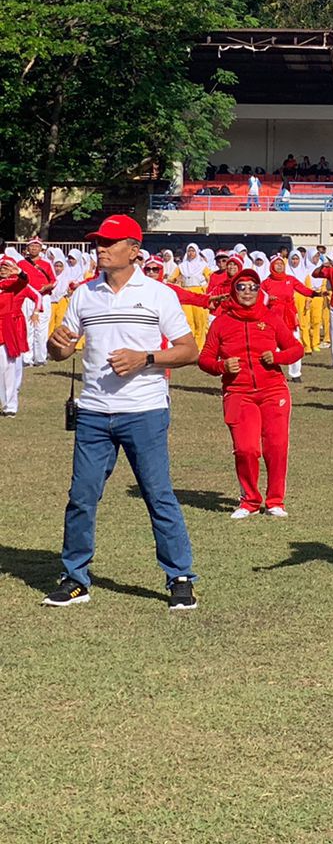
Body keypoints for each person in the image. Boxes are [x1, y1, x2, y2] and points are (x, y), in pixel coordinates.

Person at [43, 215, 200, 611]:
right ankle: (75, 578)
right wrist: (56, 345)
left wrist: (145, 358)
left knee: (158, 494)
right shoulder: (84, 294)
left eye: (110, 243)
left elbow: (188, 350)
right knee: (81, 497)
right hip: (94, 412)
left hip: (144, 411)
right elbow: (61, 348)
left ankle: (179, 577)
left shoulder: (159, 294)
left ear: (133, 249)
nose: (100, 248)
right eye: (97, 242)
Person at [197, 268, 303, 518]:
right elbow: (205, 359)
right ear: (233, 291)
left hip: (273, 390)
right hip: (238, 392)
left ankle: (275, 500)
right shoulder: (222, 322)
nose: (247, 292)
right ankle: (250, 500)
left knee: (276, 446)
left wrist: (276, 357)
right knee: (246, 449)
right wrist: (222, 366)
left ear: (260, 291)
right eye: (241, 287)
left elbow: (296, 349)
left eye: (253, 287)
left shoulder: (271, 318)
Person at [260, 256, 315, 382]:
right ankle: (270, 372)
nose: (279, 266)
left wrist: (315, 294)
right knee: (272, 345)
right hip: (273, 317)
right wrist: (269, 299)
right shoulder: (266, 282)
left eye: (281, 264)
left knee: (294, 342)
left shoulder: (290, 279)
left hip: (289, 316)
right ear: (272, 266)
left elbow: (303, 289)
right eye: (276, 264)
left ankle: (295, 373)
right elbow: (259, 298)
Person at [0, 251, 42, 415]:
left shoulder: (11, 285)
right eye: (2, 267)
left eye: (6, 267)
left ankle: (10, 405)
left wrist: (20, 273)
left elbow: (24, 282)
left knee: (9, 365)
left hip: (7, 327)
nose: (3, 270)